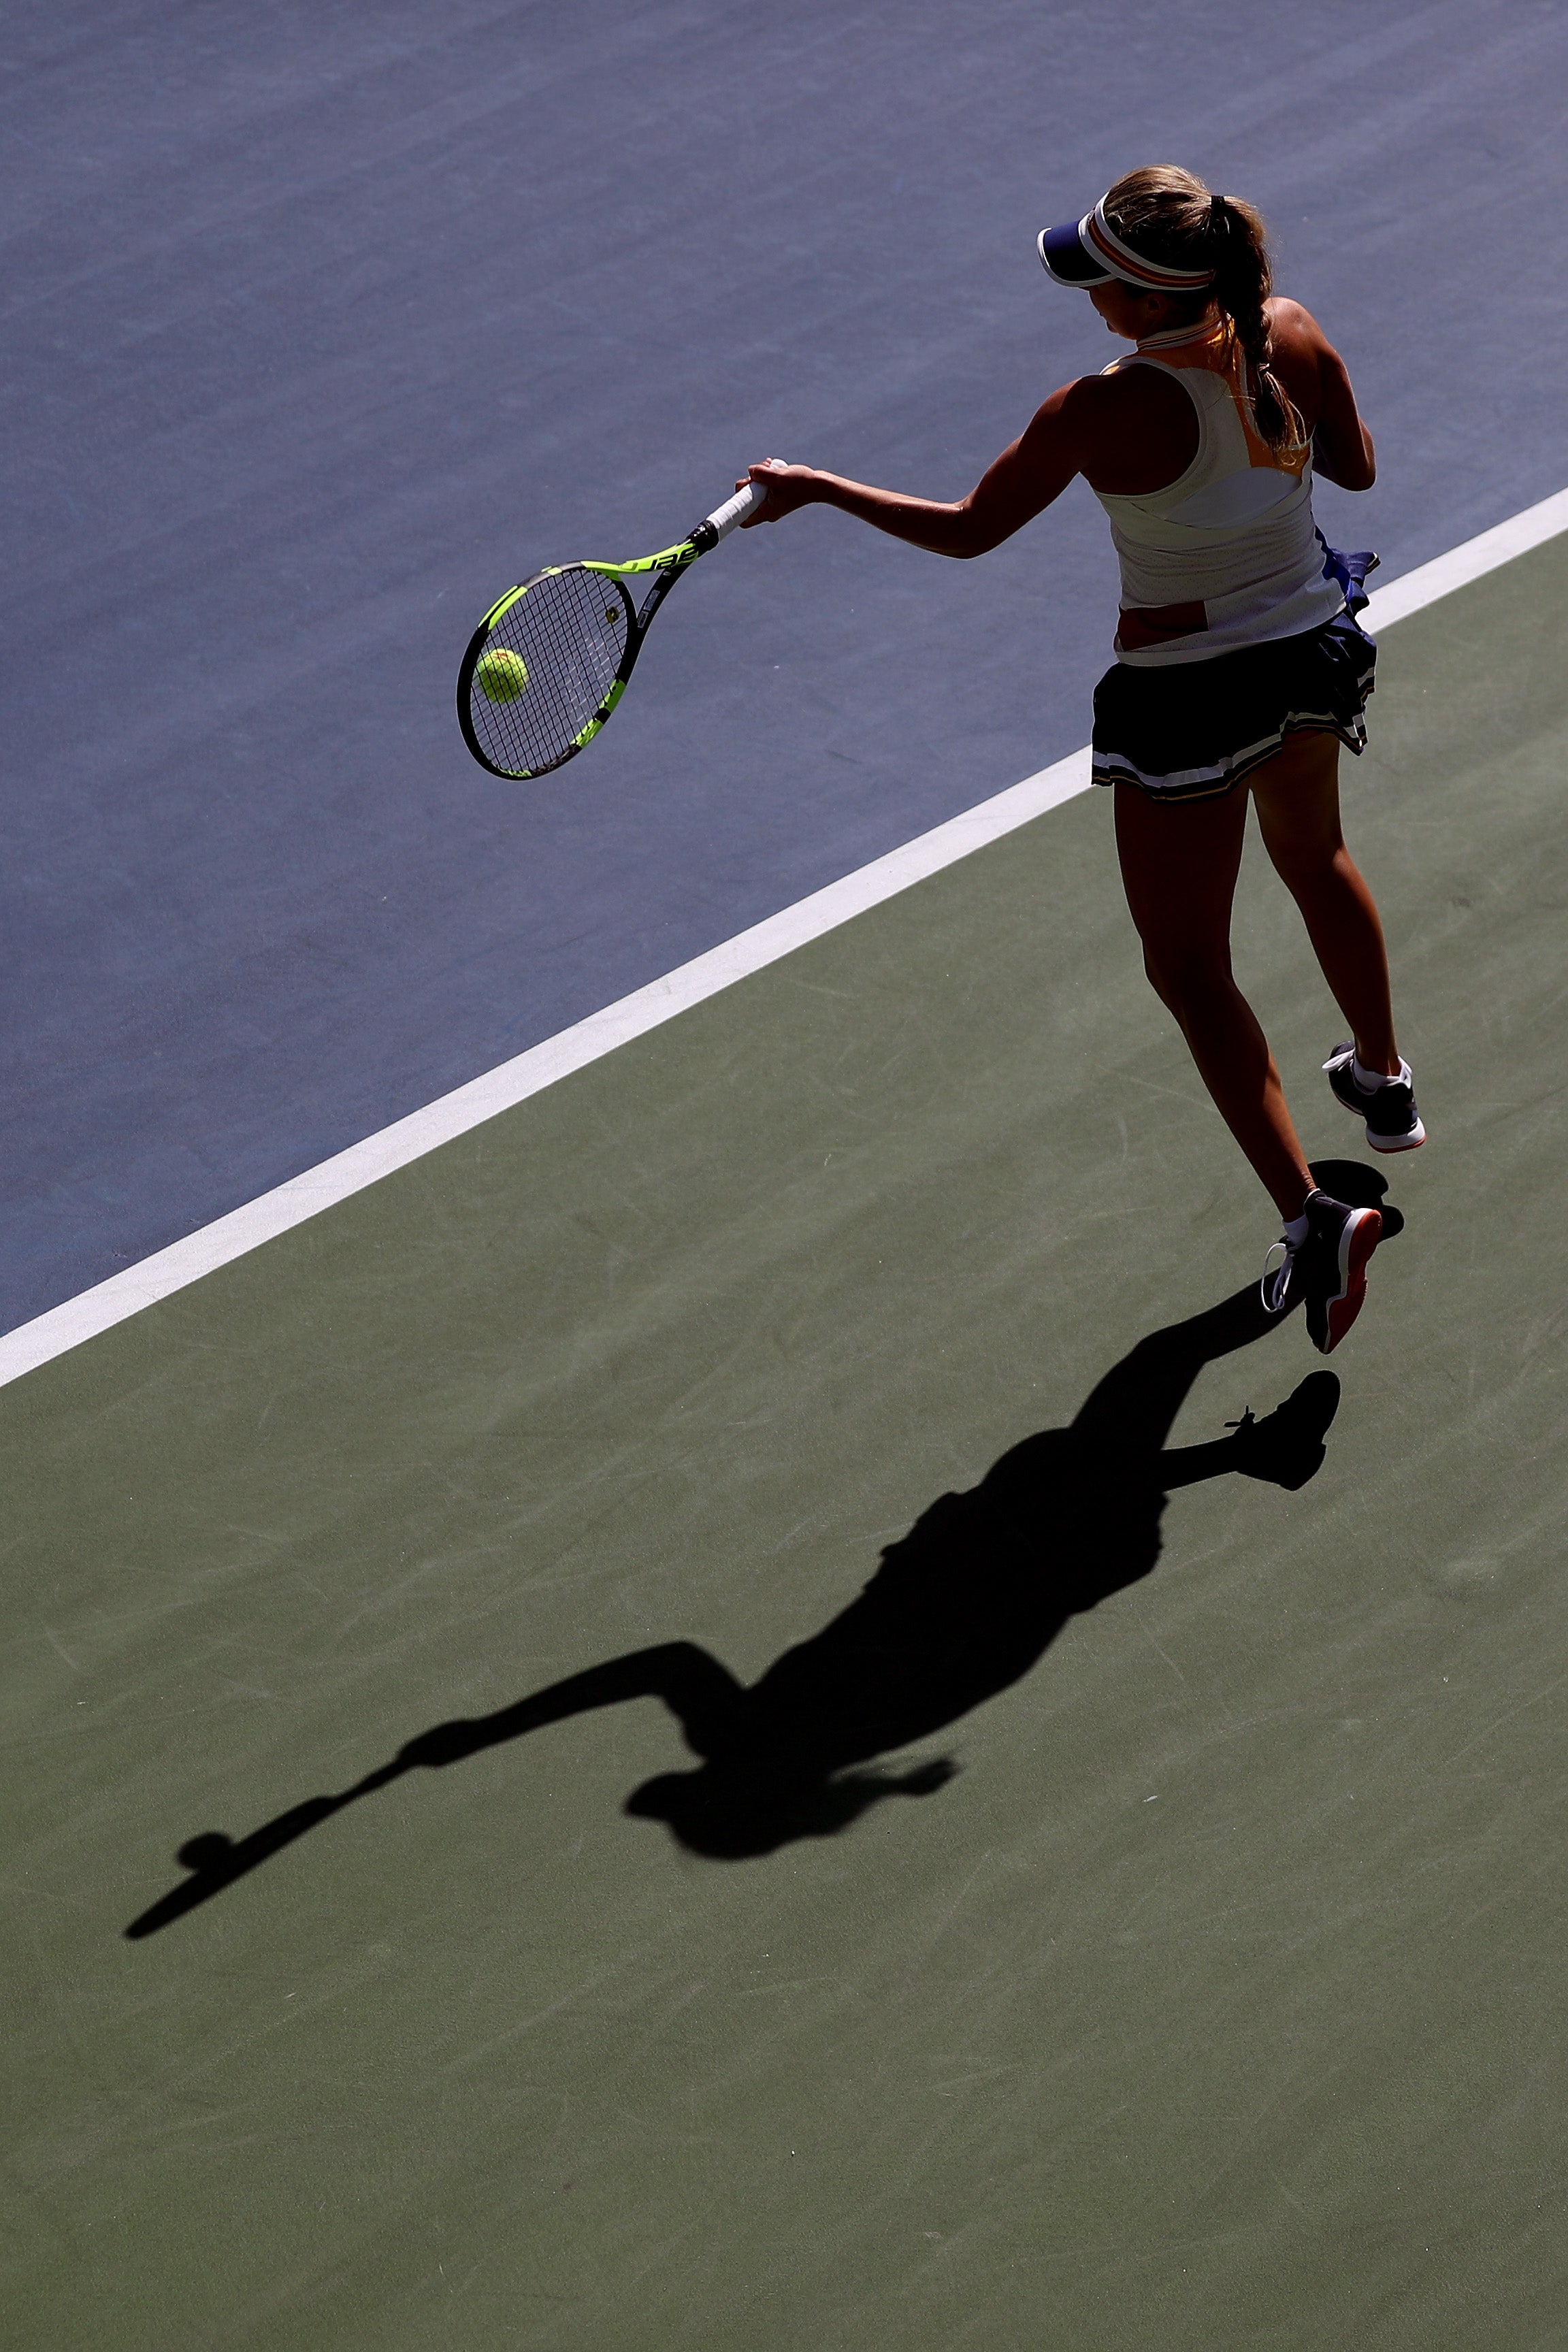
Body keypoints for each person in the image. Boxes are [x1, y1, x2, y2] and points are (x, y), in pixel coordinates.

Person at [738, 164, 1422, 1354]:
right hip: (1311, 651)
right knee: (1316, 859)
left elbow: (965, 534)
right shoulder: (1290, 332)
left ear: (1144, 301)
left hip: (1187, 701)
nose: (1085, 297)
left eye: (1098, 279)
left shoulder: (1098, 409)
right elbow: (1355, 468)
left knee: (1190, 969)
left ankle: (1316, 1220)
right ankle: (1383, 1078)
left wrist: (816, 490)